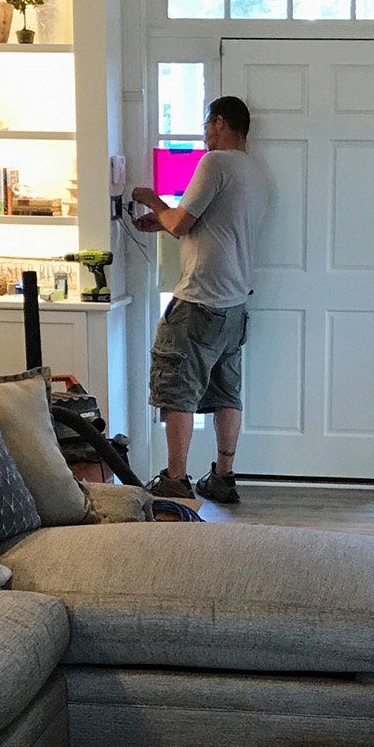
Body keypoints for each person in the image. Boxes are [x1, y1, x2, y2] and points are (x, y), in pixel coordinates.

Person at [131, 95, 272, 504]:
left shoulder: (215, 163)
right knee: (228, 391)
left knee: (177, 388)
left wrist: (153, 202)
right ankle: (223, 478)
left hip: (199, 302)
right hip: (234, 306)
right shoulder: (255, 172)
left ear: (220, 123)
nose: (204, 133)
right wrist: (162, 221)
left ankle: (176, 479)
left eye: (207, 124)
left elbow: (180, 224)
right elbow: (210, 228)